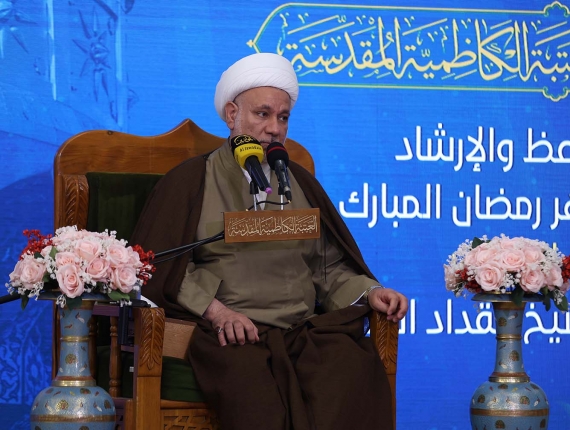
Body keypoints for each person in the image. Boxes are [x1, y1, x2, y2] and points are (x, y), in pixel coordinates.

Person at [131, 52, 408, 430]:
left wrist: (371, 292)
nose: (274, 129)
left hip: (303, 332)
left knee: (351, 372)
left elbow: (328, 268)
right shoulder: (192, 181)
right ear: (232, 115)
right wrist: (219, 313)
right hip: (231, 333)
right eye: (262, 114)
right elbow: (164, 267)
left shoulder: (300, 183)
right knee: (256, 398)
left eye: (283, 117)